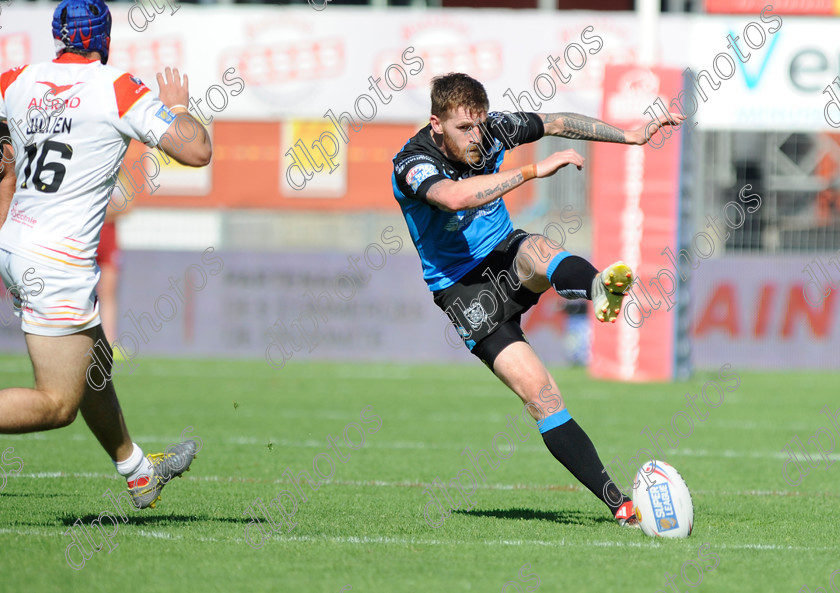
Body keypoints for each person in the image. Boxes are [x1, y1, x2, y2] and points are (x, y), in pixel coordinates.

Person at [391, 73, 684, 526]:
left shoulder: (492, 130)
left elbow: (559, 122)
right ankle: (620, 505)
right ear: (436, 125)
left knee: (536, 249)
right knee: (542, 396)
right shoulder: (412, 163)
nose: (476, 138)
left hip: (505, 251)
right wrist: (530, 171)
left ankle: (597, 286)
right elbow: (450, 198)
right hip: (462, 290)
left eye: (480, 125)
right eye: (463, 129)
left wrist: (631, 136)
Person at [0, 0, 211, 509]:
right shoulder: (115, 87)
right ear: (105, 39)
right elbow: (197, 150)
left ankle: (138, 473)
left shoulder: (16, 80)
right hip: (57, 261)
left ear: (58, 37)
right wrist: (178, 108)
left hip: (20, 243)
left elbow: (6, 160)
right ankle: (137, 472)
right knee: (56, 404)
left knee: (95, 361)